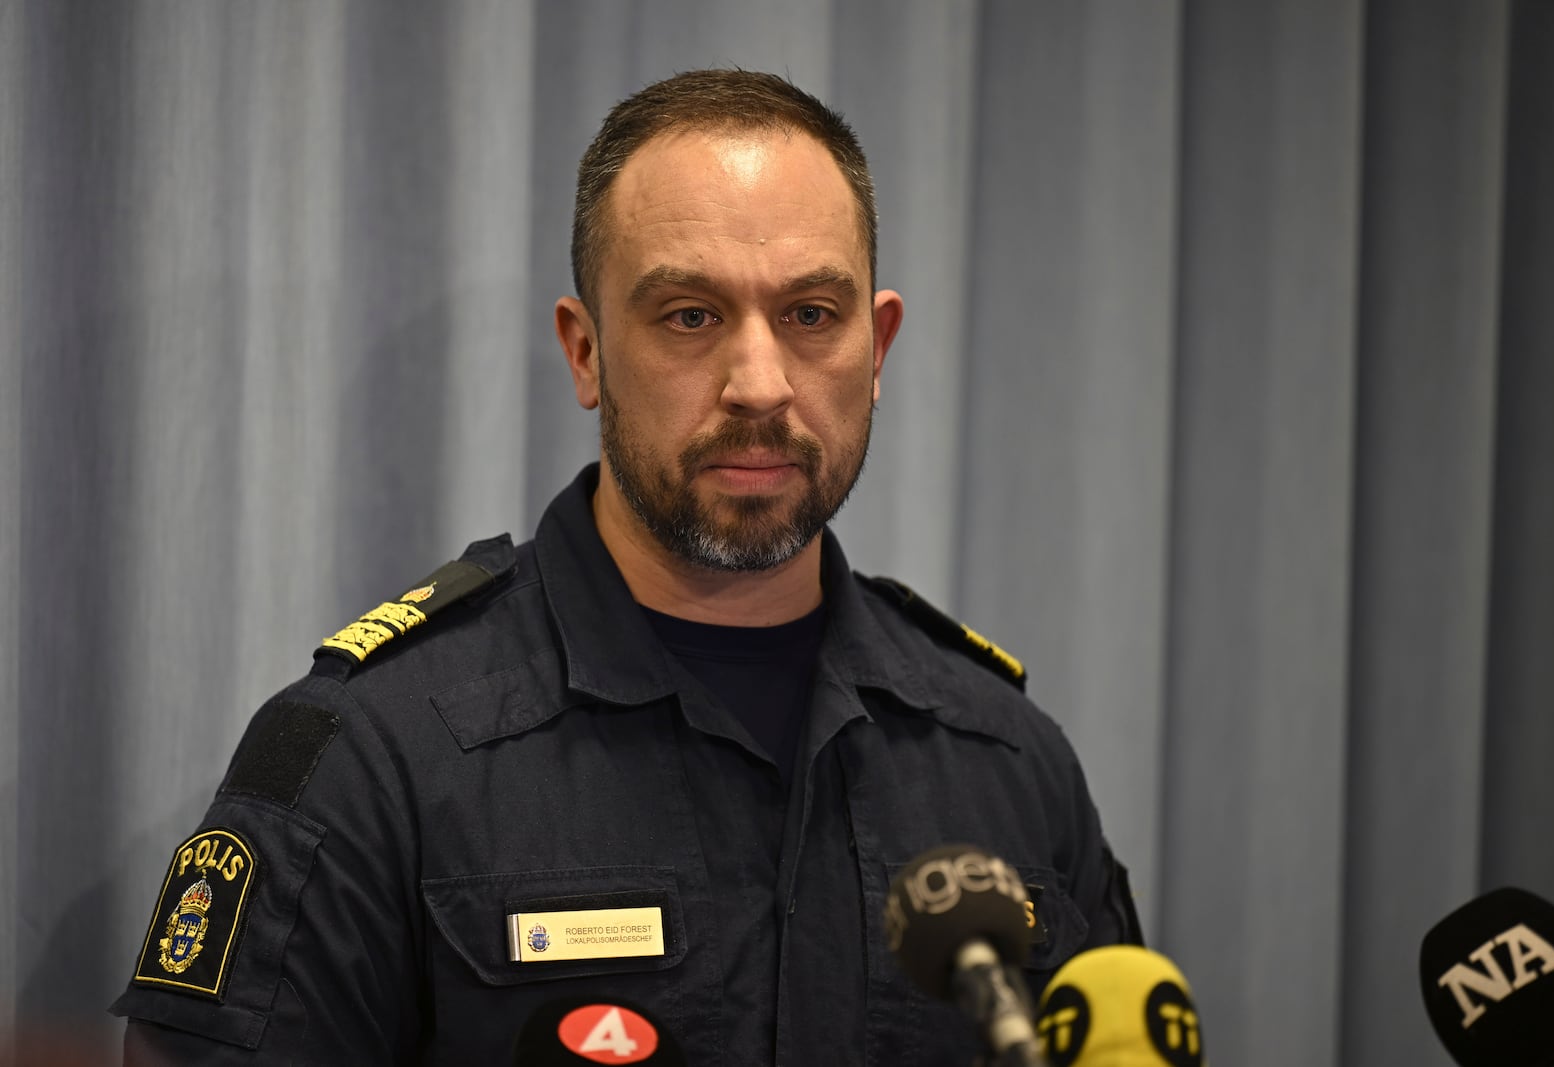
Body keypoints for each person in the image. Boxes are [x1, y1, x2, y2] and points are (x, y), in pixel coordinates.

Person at [111, 69, 1141, 1065]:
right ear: (586, 352)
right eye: (689, 315)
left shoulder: (1006, 759)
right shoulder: (370, 758)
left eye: (810, 316)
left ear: (876, 350)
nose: (758, 383)